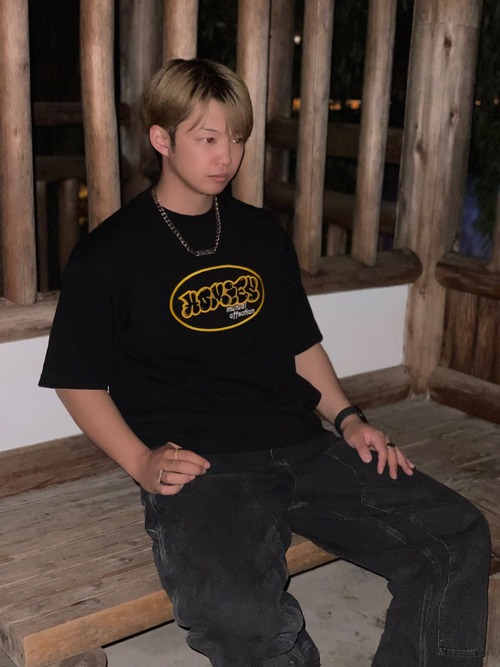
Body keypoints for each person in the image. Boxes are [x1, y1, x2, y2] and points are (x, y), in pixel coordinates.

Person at [39, 58, 490, 666]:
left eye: (237, 138)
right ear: (162, 139)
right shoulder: (108, 255)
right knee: (238, 618)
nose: (227, 155)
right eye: (207, 138)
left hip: (302, 442)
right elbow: (76, 382)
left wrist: (350, 420)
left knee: (457, 535)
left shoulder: (259, 233)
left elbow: (299, 344)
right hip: (205, 466)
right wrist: (142, 462)